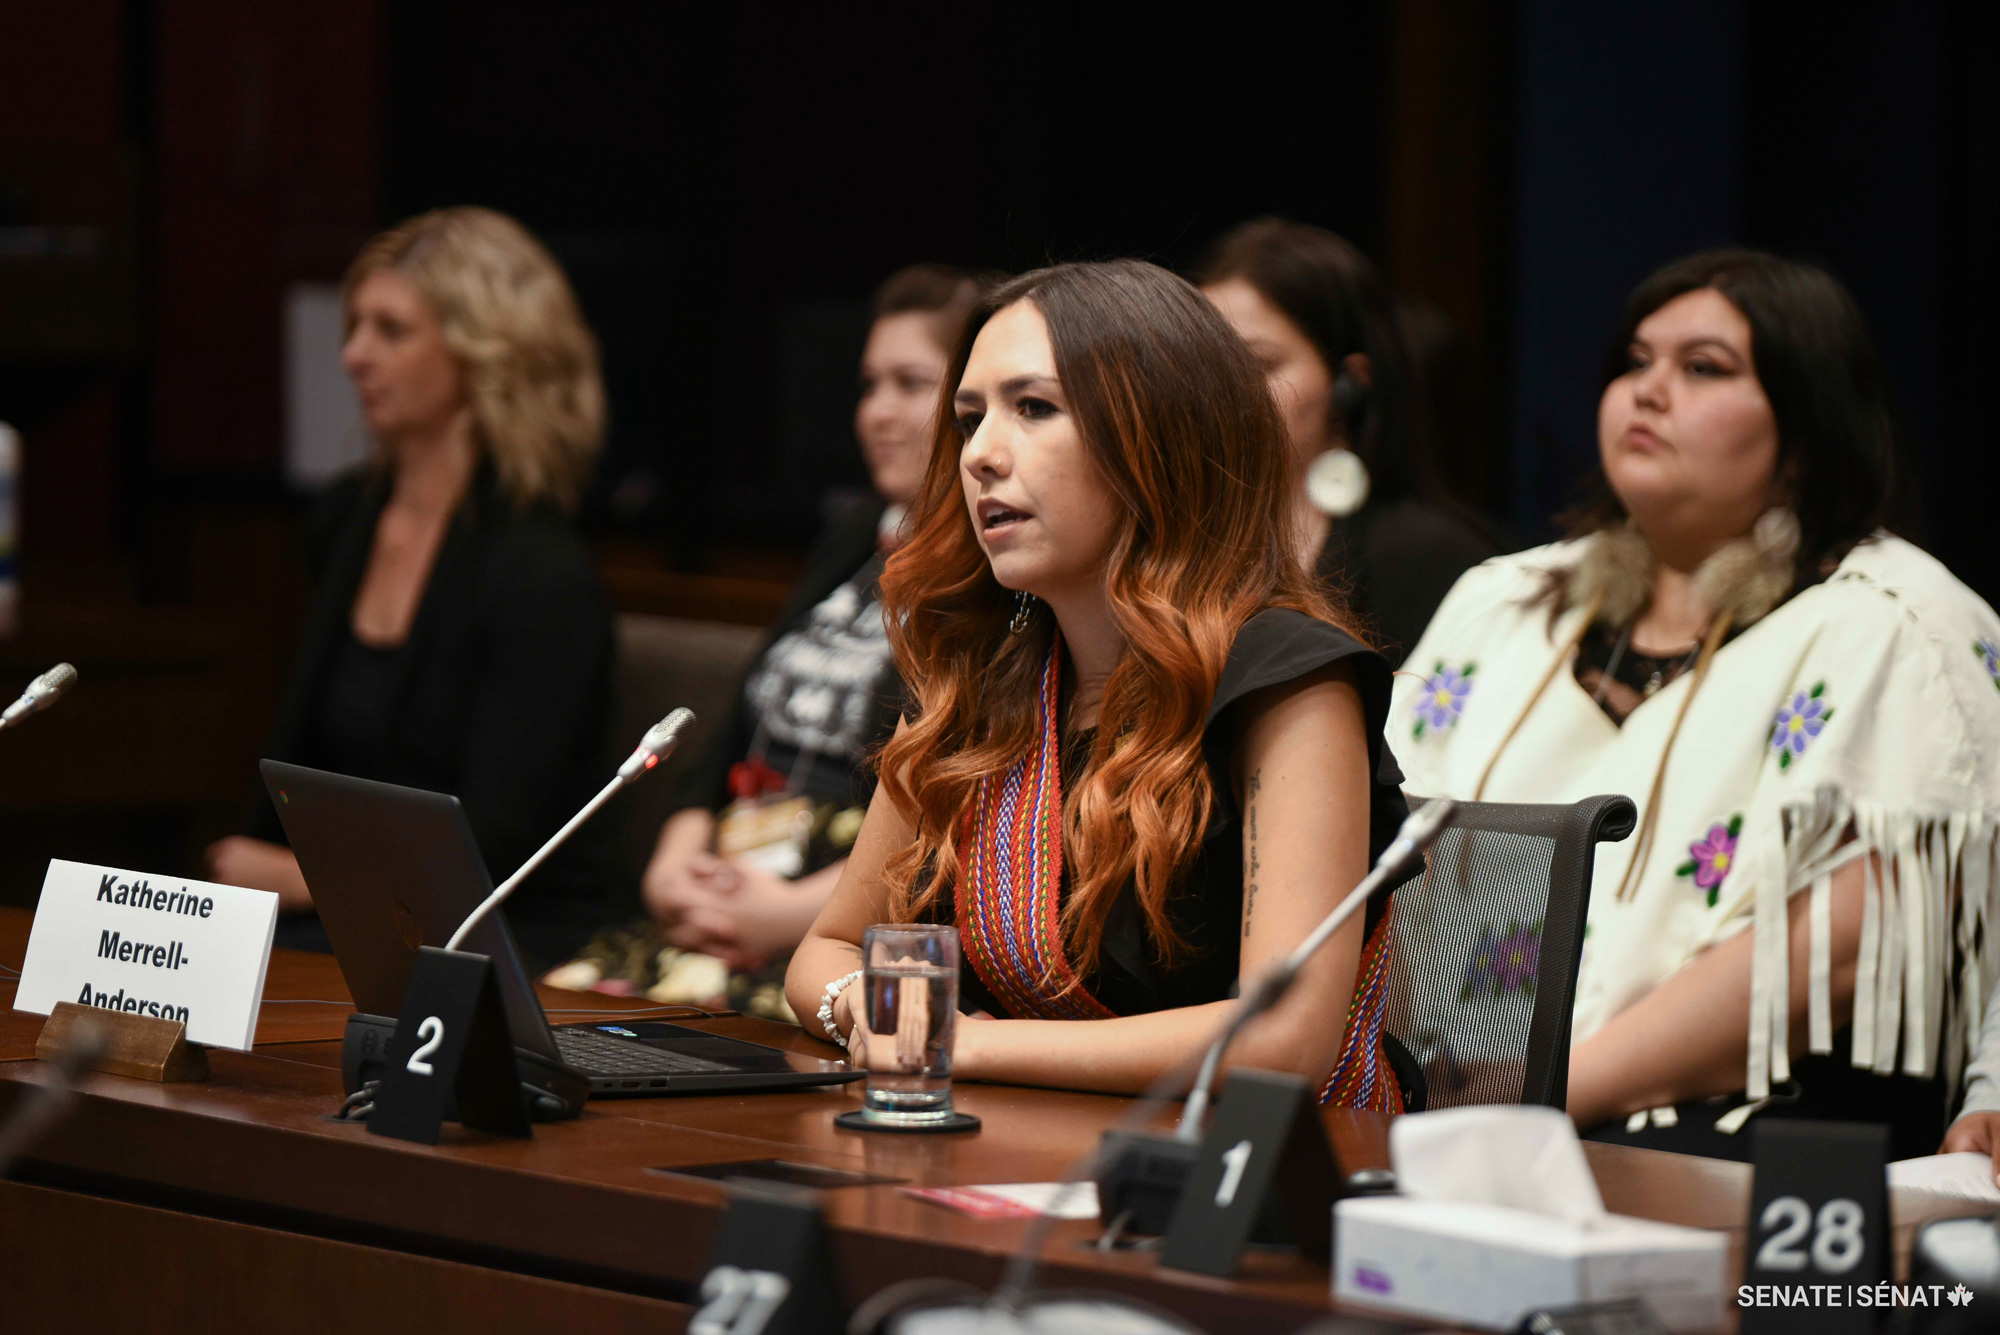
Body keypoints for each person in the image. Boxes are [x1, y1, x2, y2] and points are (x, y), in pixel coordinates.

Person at [1388, 248, 2000, 1158]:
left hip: (1730, 1140)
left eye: (1704, 367)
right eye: (1635, 361)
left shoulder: (1896, 620)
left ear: (1806, 427)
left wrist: (1535, 1099)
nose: (1650, 389)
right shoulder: (1499, 604)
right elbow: (1372, 863)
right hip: (1435, 1109)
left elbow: (1839, 948)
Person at [784, 260, 1413, 1104]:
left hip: (1243, 1170)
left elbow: (1282, 1039)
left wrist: (965, 1043)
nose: (981, 455)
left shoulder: (1292, 680)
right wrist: (870, 1006)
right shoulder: (980, 677)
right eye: (970, 419)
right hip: (1013, 1142)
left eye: (1034, 407)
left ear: (1160, 436)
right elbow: (824, 952)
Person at [551, 265, 988, 1011]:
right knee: (550, 1017)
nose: (877, 412)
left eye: (910, 384)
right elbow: (728, 734)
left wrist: (789, 915)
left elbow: (957, 816)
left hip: (842, 924)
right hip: (728, 884)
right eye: (869, 385)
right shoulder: (854, 534)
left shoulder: (992, 578)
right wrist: (674, 864)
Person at [207, 206, 617, 972]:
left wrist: (304, 882)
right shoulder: (343, 519)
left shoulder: (540, 571)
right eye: (355, 326)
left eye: (391, 330)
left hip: (495, 932)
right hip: (346, 912)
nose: (353, 356)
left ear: (484, 352)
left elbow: (494, 844)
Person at [1195, 219, 1500, 666]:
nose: (1222, 391)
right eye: (1204, 366)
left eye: (1258, 365)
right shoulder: (1168, 543)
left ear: (1349, 382)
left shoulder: (1430, 557)